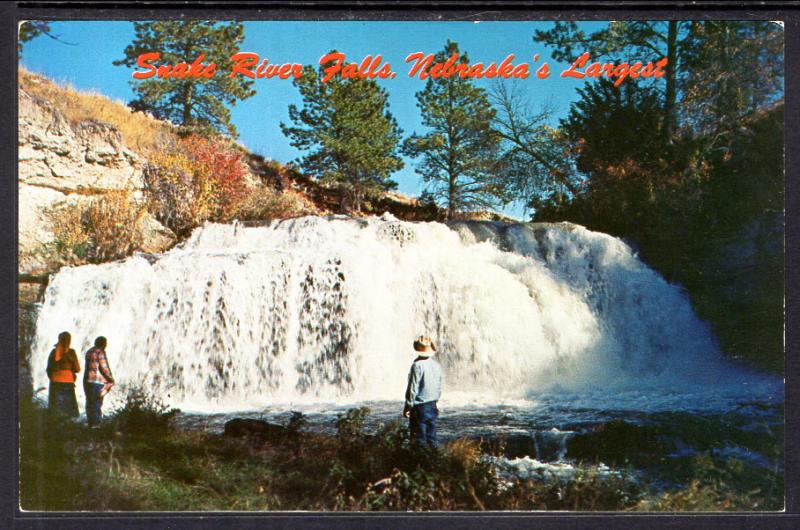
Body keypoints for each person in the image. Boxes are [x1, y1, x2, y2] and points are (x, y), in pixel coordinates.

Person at [403, 335, 443, 447]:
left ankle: (419, 462)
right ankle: (435, 461)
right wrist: (436, 401)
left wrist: (408, 406)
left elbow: (413, 388)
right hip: (432, 405)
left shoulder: (417, 366)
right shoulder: (436, 365)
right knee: (432, 438)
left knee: (418, 439)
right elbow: (438, 386)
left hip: (420, 407)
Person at [46, 331, 80, 418]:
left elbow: (49, 368)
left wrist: (53, 377)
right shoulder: (72, 352)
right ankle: (68, 426)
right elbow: (77, 369)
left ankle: (56, 425)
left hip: (55, 380)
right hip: (68, 381)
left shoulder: (54, 352)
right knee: (68, 406)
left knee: (56, 407)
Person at [83, 336, 115, 427]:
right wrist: (111, 379)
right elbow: (104, 367)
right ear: (103, 344)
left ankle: (90, 422)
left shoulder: (89, 351)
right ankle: (96, 424)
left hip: (87, 380)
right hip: (97, 381)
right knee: (97, 402)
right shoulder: (100, 352)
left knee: (89, 401)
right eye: (105, 344)